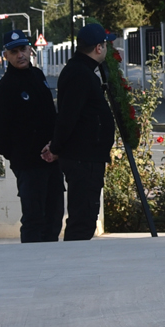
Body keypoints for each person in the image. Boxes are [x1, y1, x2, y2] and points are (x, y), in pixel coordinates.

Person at [45, 22, 118, 241]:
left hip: (87, 156)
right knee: (82, 218)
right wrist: (56, 147)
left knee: (86, 214)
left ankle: (77, 254)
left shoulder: (83, 71)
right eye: (105, 45)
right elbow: (68, 116)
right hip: (83, 158)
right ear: (98, 48)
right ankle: (74, 257)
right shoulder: (79, 74)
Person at [0, 29, 63, 242]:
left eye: (23, 49)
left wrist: (55, 145)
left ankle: (50, 258)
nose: (20, 55)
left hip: (52, 161)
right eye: (14, 52)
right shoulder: (5, 88)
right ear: (6, 55)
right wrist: (18, 157)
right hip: (28, 165)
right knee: (33, 219)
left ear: (30, 49)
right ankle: (32, 260)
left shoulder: (38, 76)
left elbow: (50, 115)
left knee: (54, 217)